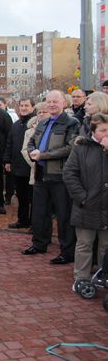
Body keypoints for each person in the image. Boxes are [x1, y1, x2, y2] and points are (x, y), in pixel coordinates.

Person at [23, 90, 79, 265]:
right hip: (41, 175)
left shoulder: (71, 123)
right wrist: (33, 151)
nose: (52, 104)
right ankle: (39, 244)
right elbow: (32, 141)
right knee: (39, 213)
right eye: (49, 101)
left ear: (64, 102)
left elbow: (70, 148)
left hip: (60, 176)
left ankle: (67, 251)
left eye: (55, 101)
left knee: (64, 216)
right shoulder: (43, 122)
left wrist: (44, 155)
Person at [63, 113, 108, 289]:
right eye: (103, 130)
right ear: (93, 131)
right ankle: (81, 278)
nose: (107, 133)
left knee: (105, 246)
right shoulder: (81, 148)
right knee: (84, 244)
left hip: (106, 206)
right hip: (87, 205)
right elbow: (69, 174)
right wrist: (82, 198)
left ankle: (102, 275)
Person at [4, 98, 36, 229]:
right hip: (17, 166)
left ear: (32, 107)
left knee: (33, 198)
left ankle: (34, 223)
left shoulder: (35, 124)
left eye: (26, 105)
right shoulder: (16, 124)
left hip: (31, 167)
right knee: (21, 196)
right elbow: (9, 143)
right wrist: (7, 160)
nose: (23, 108)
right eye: (21, 105)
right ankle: (22, 220)